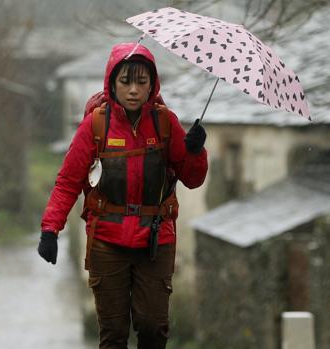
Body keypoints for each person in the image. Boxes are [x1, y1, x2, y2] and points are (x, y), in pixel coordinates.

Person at [38, 42, 208, 349]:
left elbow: (193, 179)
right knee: (114, 333)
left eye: (141, 82)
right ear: (112, 83)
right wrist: (50, 229)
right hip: (106, 239)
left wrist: (195, 151)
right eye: (125, 81)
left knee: (153, 328)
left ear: (152, 85)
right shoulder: (96, 125)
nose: (133, 90)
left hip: (156, 240)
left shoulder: (165, 123)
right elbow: (68, 182)